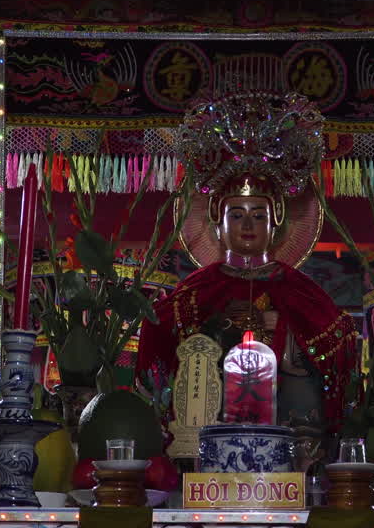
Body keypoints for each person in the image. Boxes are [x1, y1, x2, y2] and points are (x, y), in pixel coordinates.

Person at [136, 91, 358, 431]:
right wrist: (220, 328)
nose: (249, 225)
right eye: (237, 214)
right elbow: (158, 337)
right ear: (217, 222)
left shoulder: (301, 293)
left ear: (277, 220)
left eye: (259, 214)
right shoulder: (193, 295)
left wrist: (281, 330)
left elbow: (337, 344)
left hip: (287, 427)